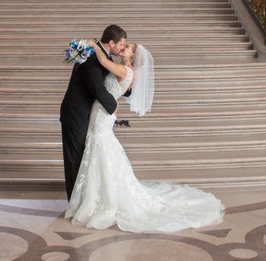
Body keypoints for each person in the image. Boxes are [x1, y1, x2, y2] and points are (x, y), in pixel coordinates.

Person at [65, 40, 225, 233]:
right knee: (101, 151)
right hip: (100, 113)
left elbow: (103, 62)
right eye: (123, 46)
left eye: (126, 49)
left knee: (100, 149)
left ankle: (100, 198)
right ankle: (95, 194)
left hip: (102, 115)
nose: (122, 49)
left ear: (132, 56)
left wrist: (94, 44)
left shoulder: (125, 71)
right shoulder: (127, 70)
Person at [60, 25, 128, 201]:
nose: (122, 48)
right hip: (76, 113)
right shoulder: (91, 56)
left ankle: (84, 199)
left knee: (84, 156)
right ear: (111, 43)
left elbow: (110, 80)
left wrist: (127, 85)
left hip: (86, 113)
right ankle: (74, 203)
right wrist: (113, 107)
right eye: (121, 44)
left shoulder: (101, 55)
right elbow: (97, 88)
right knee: (75, 158)